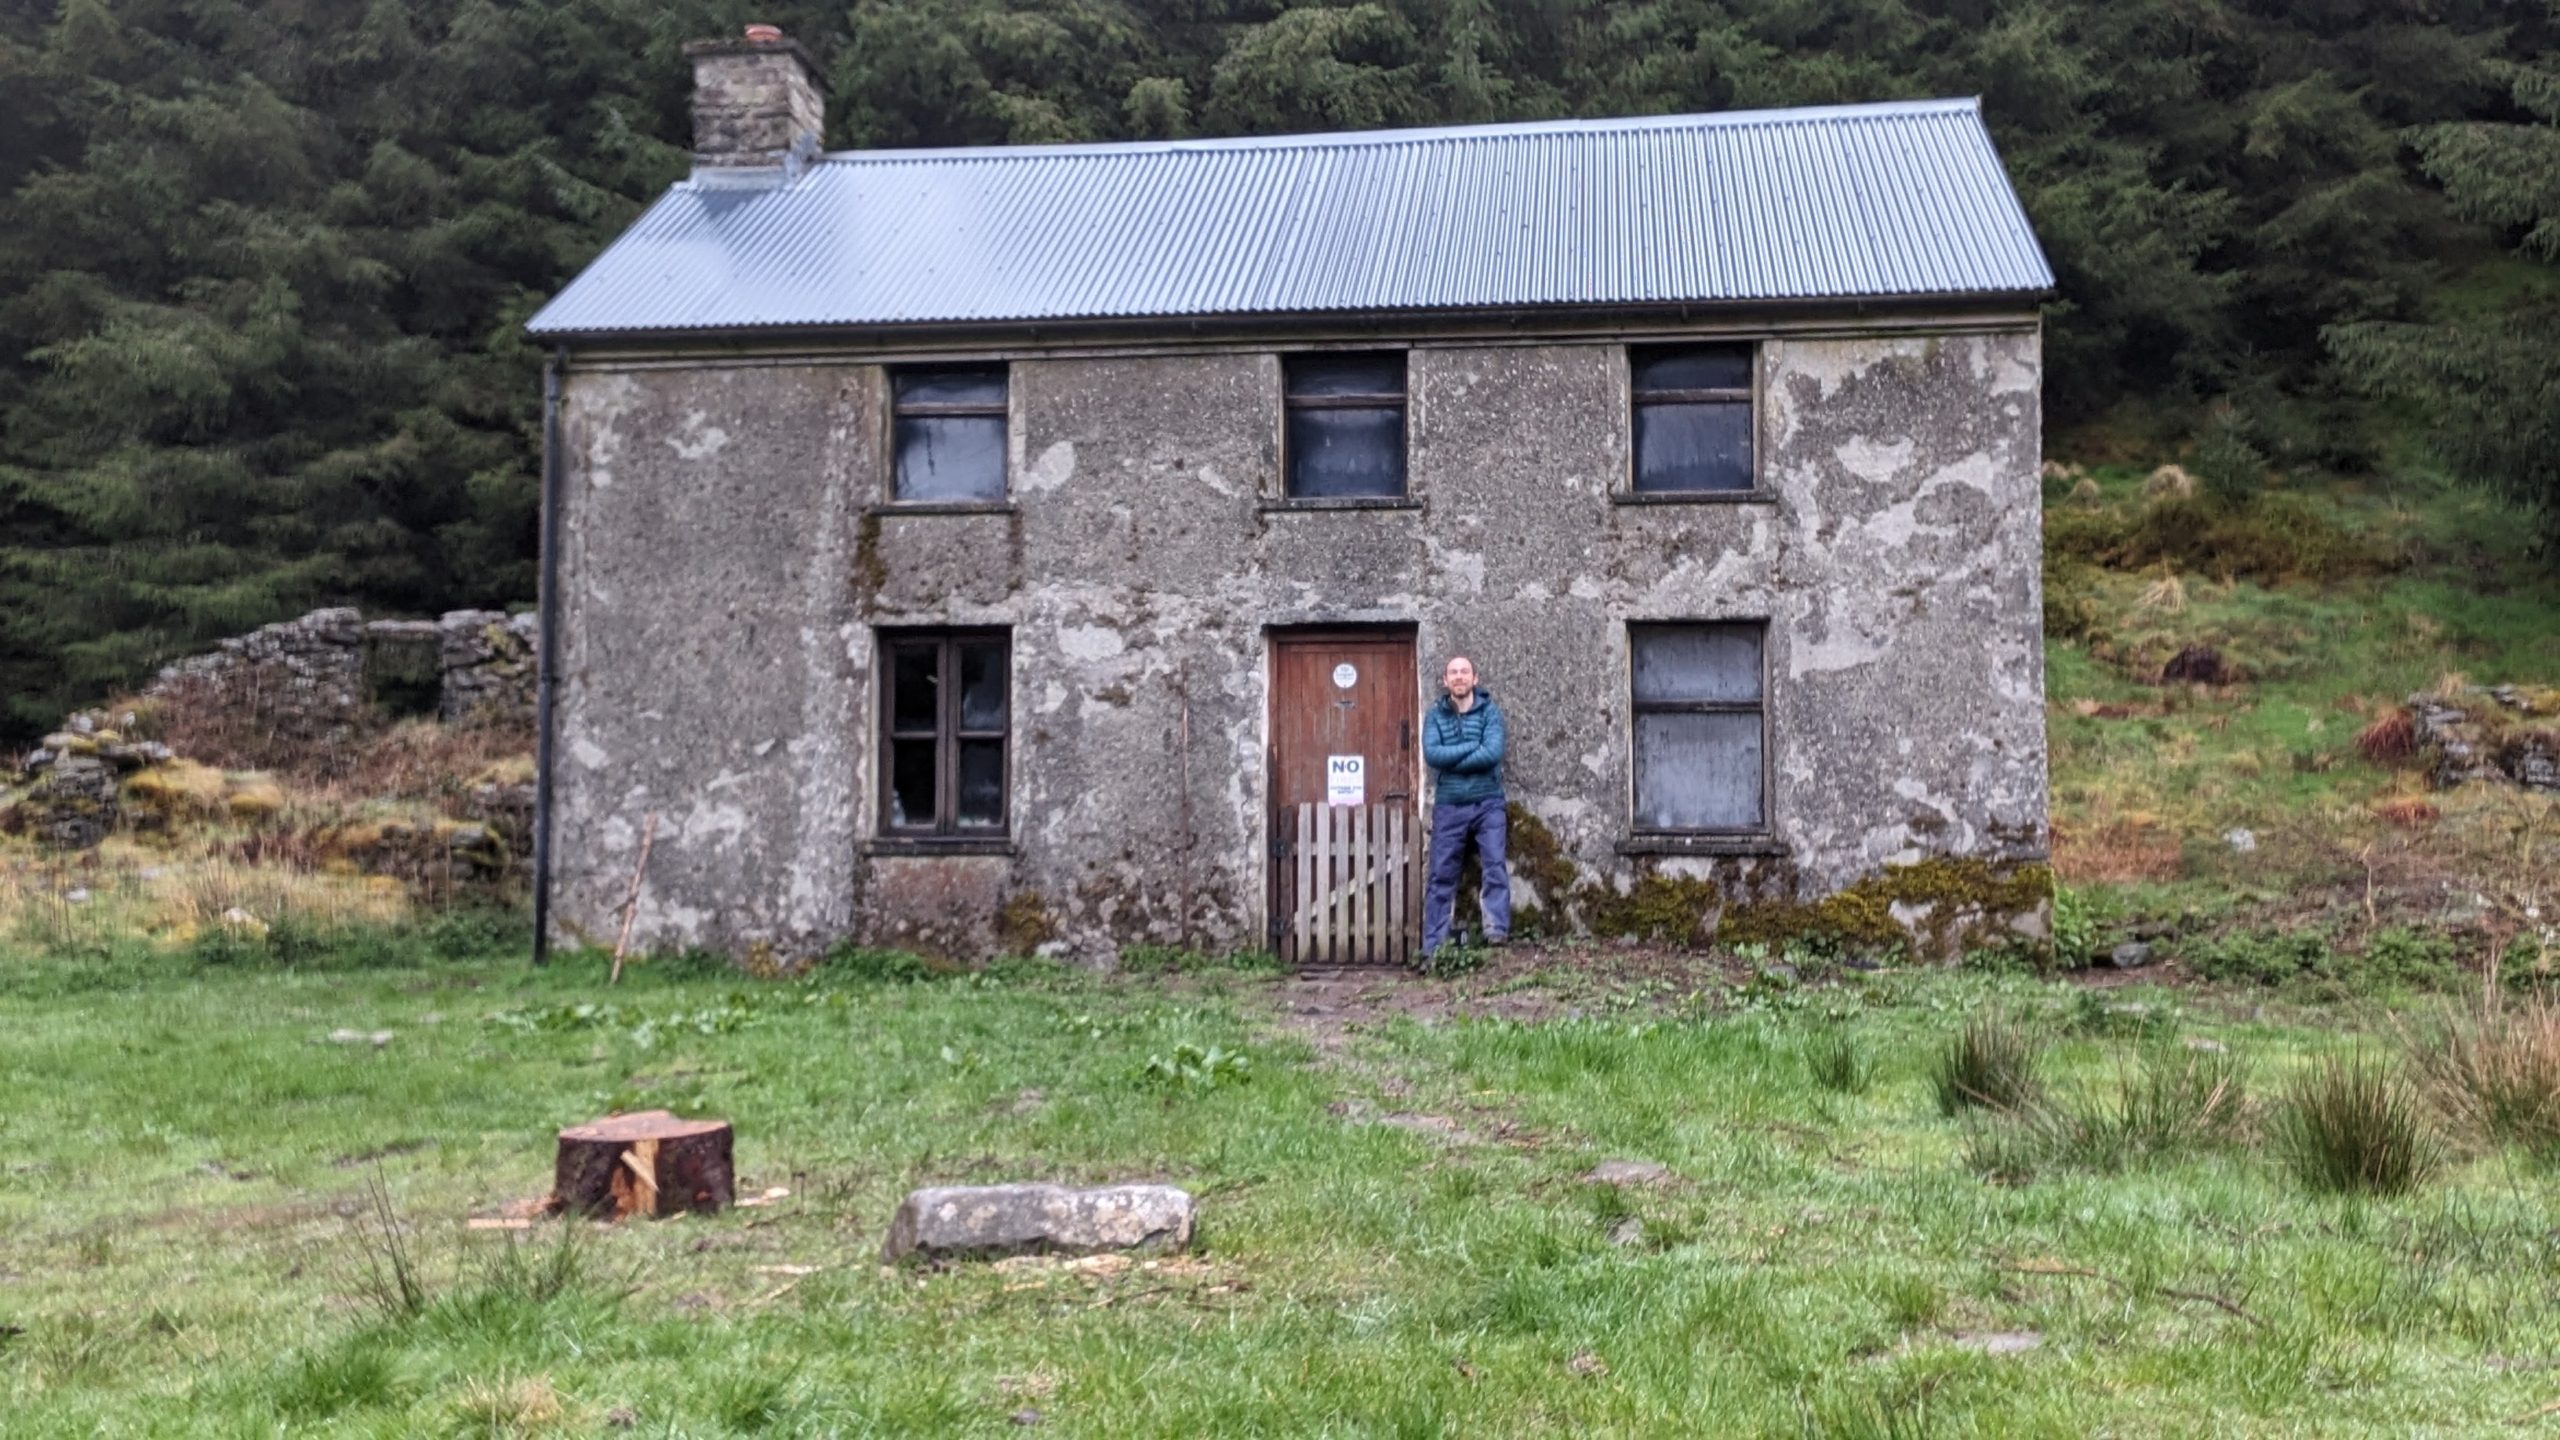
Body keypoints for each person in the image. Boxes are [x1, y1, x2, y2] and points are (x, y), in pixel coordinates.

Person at [1421, 654, 1509, 954]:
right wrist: (1473, 745)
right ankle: (1434, 946)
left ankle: (1496, 930)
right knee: (1441, 874)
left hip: (1489, 803)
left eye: (1464, 672)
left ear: (1475, 678)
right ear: (1445, 681)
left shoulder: (1490, 713)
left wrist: (1455, 756)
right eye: (1453, 673)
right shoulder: (1435, 716)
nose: (1459, 677)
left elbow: (1493, 753)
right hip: (1450, 805)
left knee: (1495, 866)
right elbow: (1433, 756)